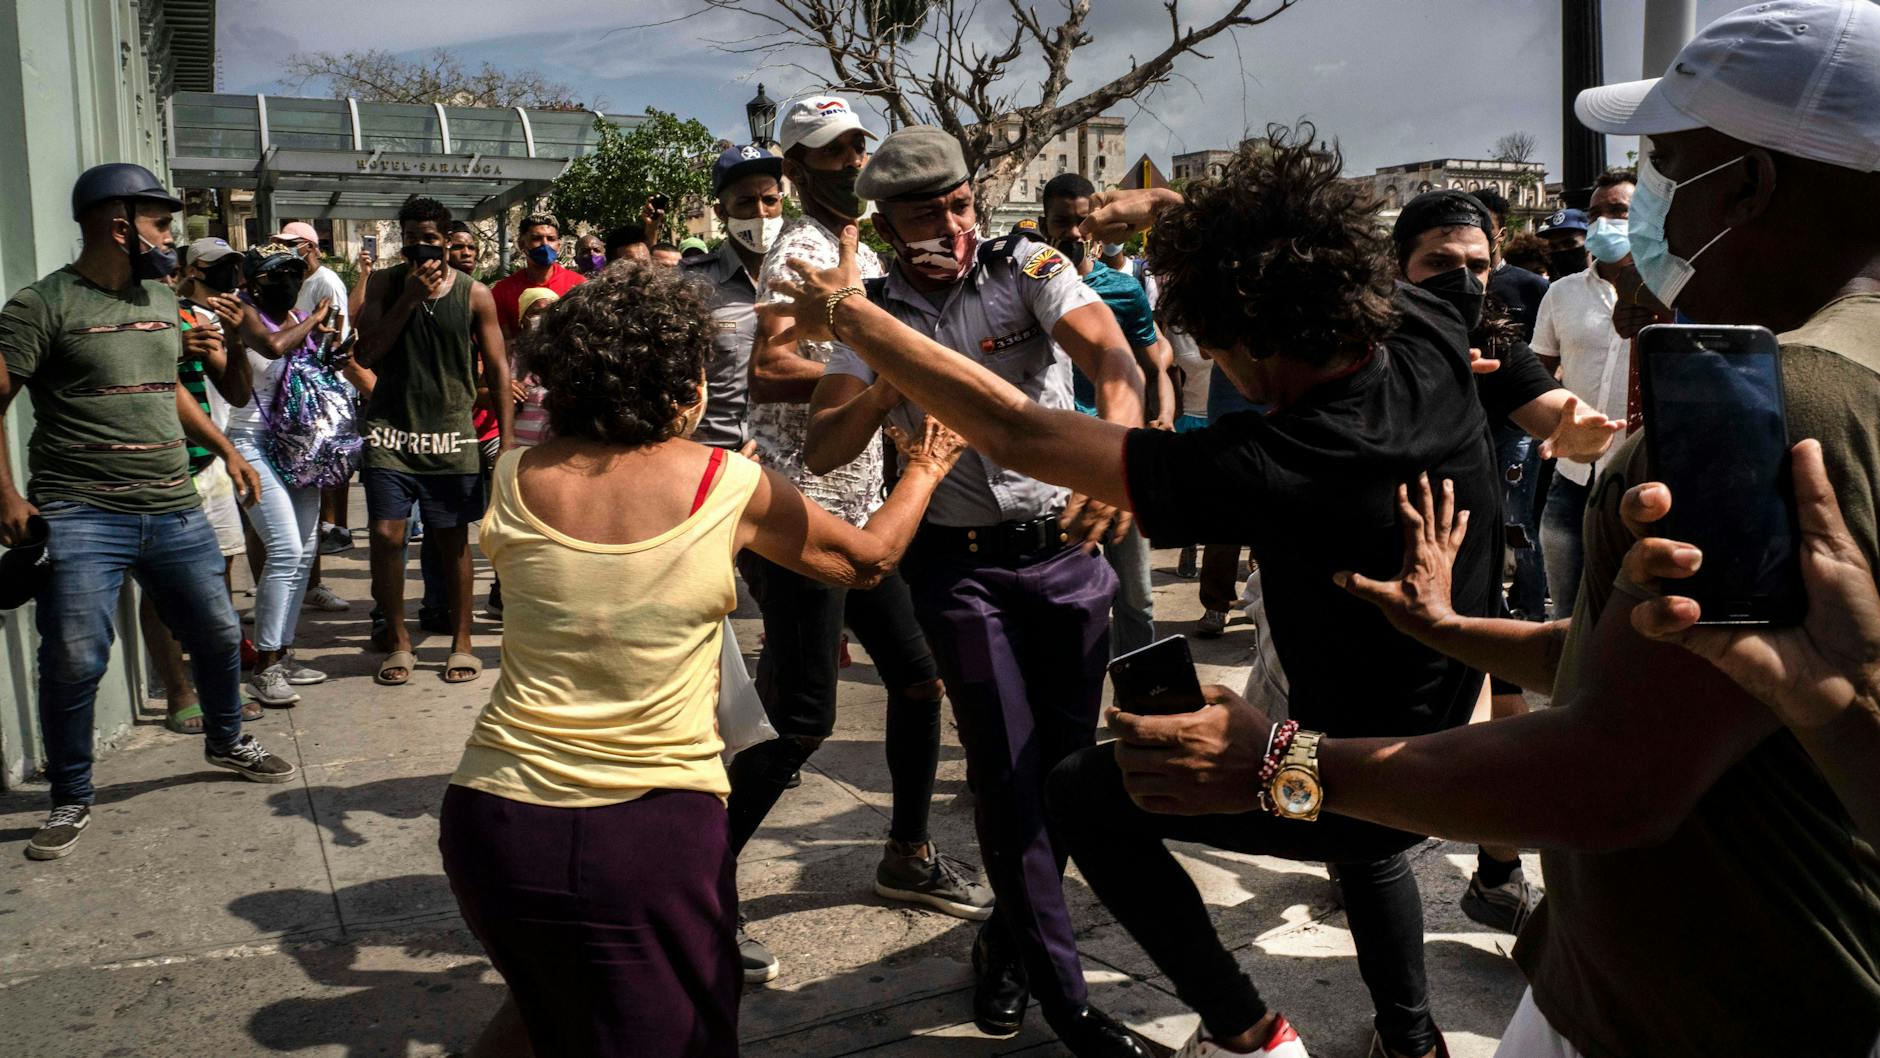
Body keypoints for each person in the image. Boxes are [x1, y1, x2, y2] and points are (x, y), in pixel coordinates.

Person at [1092, 6, 1880, 1055]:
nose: (1644, 201)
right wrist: (1448, 625)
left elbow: (1613, 776)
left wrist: (1282, 755)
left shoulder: (1774, 409)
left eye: (1665, 164)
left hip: (1708, 1005)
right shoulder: (1818, 379)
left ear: (1744, 188)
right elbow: (1655, 667)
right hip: (1634, 977)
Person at [767, 126, 1503, 1058]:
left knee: (1084, 791)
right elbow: (1281, 246)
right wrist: (1171, 208)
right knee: (1338, 848)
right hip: (1436, 728)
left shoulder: (1273, 462)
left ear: (1248, 344)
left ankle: (1248, 1032)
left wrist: (854, 319)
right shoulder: (1427, 327)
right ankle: (1410, 1038)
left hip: (1345, 774)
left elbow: (1018, 429)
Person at [437, 261, 967, 1058]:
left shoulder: (513, 476)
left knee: (549, 1011)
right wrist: (925, 467)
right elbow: (865, 563)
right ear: (685, 386)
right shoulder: (728, 481)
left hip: (492, 817)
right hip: (647, 833)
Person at [797, 125, 1150, 1056]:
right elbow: (823, 446)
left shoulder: (1025, 265)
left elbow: (1116, 361)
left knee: (1069, 770)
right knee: (1003, 763)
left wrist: (1115, 462)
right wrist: (885, 376)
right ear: (884, 221)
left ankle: (1008, 934)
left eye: (960, 204)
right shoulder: (866, 307)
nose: (950, 224)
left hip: (1067, 552)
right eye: (925, 212)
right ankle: (1060, 992)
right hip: (958, 569)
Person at [736, 101, 990, 983]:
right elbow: (768, 368)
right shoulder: (801, 249)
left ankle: (908, 855)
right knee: (801, 717)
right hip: (800, 506)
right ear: (798, 167)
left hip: (865, 503)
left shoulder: (868, 248)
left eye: (858, 146)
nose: (850, 160)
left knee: (918, 681)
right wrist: (884, 368)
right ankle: (693, 887)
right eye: (829, 152)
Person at [1, 164, 298, 861]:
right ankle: (71, 794)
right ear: (118, 226)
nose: (172, 236)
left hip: (173, 504)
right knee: (75, 659)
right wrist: (8, 496)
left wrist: (228, 447)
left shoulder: (164, 303)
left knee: (222, 636)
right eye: (161, 223)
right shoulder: (41, 306)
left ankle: (227, 739)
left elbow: (170, 390)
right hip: (79, 513)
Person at [1390, 188, 1621, 934]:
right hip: (1382, 547)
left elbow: (1546, 406)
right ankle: (1363, 844)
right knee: (1375, 713)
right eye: (1440, 264)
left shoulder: (1496, 336)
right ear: (1399, 266)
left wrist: (1579, 427)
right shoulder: (1365, 337)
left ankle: (1496, 872)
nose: (1462, 280)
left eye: (1477, 264)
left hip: (1477, 547)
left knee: (1499, 702)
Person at [353, 195, 511, 687]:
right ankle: (399, 640)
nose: (421, 249)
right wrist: (408, 300)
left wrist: (506, 443)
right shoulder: (383, 284)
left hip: (450, 434)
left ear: (447, 242)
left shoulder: (474, 294)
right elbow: (368, 352)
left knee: (451, 542)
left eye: (431, 240)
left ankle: (461, 641)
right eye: (412, 239)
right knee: (386, 536)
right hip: (390, 433)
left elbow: (501, 370)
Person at [1040, 172, 1174, 657]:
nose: (1074, 234)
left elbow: (1152, 357)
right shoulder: (1023, 288)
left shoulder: (1122, 290)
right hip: (1056, 468)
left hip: (1120, 461)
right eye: (1062, 223)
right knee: (1068, 598)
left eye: (1082, 223)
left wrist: (1162, 409)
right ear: (1044, 223)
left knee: (1136, 597)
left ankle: (1140, 704)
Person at [140, 237, 261, 733]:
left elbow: (235, 390)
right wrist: (166, 349)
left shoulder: (197, 321)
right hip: (155, 474)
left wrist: (232, 340)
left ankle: (220, 686)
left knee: (216, 582)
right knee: (160, 588)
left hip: (206, 465)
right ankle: (180, 691)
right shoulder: (142, 320)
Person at [222, 245, 339, 706]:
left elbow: (309, 367)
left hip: (296, 443)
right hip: (250, 444)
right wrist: (314, 318)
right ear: (253, 281)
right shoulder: (244, 312)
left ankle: (283, 652)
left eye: (294, 272)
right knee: (286, 548)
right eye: (277, 274)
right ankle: (265, 666)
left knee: (305, 550)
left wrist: (328, 339)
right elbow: (271, 347)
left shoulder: (293, 315)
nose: (288, 280)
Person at [1531, 173, 1635, 620]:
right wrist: (1553, 425)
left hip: (1642, 477)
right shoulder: (1561, 293)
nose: (1604, 222)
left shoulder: (1674, 295)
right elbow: (1535, 373)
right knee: (1568, 619)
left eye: (1618, 212)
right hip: (1572, 478)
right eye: (1595, 214)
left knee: (1629, 618)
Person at [271, 221, 355, 615]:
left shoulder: (327, 282)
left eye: (291, 247)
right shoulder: (285, 281)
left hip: (319, 400)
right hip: (285, 400)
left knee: (317, 484)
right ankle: (293, 588)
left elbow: (332, 336)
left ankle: (314, 580)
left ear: (310, 247)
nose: (285, 253)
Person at [678, 143, 782, 453]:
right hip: (711, 456)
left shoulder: (805, 277)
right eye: (746, 202)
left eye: (770, 200)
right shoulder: (689, 285)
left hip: (786, 459)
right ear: (722, 212)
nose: (761, 213)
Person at [1468, 189, 1549, 341]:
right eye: (1472, 224)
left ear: (1502, 234)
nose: (1478, 232)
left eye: (1486, 226)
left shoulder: (1533, 287)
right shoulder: (1454, 282)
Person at [489, 213, 584, 341]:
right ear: (522, 244)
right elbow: (503, 342)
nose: (545, 245)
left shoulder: (578, 285)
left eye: (551, 239)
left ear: (558, 245)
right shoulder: (503, 291)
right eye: (536, 238)